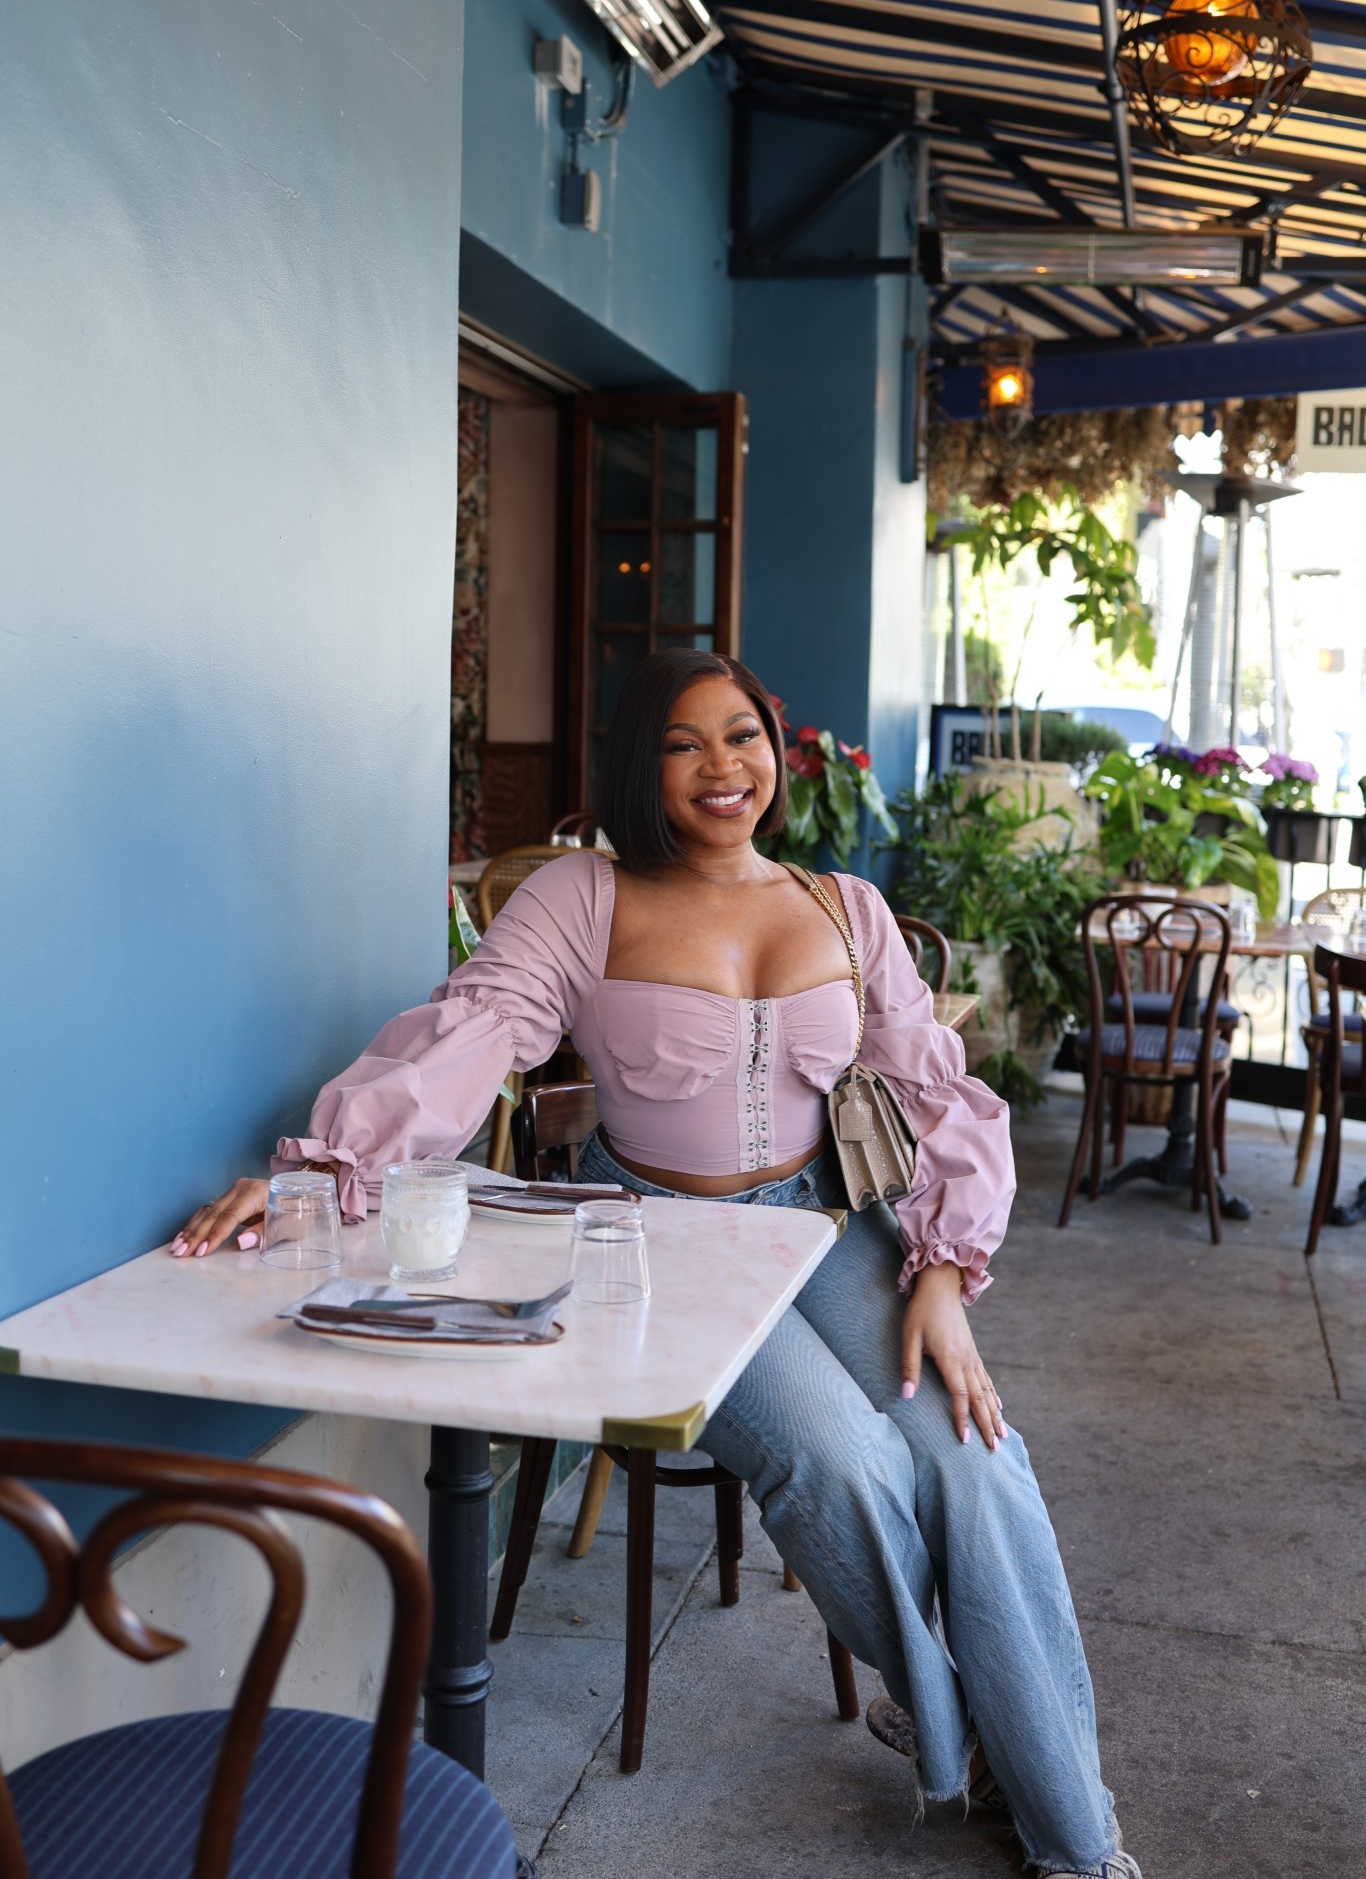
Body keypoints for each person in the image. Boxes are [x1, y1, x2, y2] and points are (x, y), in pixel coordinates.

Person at [174, 649, 1139, 1879]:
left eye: (742, 735)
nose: (722, 766)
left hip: (829, 1224)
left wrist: (943, 1273)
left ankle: (1078, 1841)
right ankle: (969, 1726)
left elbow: (931, 1089)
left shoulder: (845, 904)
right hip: (660, 1235)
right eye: (685, 743)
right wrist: (322, 1167)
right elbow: (472, 1033)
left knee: (977, 1453)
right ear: (643, 762)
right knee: (840, 1463)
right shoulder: (585, 894)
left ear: (776, 750)